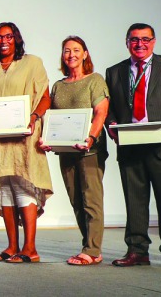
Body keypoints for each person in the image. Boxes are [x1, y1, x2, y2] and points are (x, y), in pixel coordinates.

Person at [105, 23, 161, 270]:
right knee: (134, 202)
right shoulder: (114, 71)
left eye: (145, 39)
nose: (139, 44)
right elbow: (110, 106)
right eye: (134, 40)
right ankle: (137, 250)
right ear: (126, 42)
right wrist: (111, 123)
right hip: (130, 145)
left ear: (153, 41)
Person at [0, 22, 53, 264]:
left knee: (24, 187)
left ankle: (30, 248)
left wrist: (32, 117)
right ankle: (12, 246)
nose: (4, 41)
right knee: (4, 189)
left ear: (16, 38)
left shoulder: (32, 63)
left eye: (8, 36)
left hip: (23, 138)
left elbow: (45, 97)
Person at [37, 36, 109, 265]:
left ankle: (93, 250)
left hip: (89, 150)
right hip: (66, 151)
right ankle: (88, 246)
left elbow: (101, 112)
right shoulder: (59, 85)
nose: (71, 55)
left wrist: (90, 137)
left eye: (76, 50)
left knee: (91, 200)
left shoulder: (95, 80)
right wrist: (46, 139)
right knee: (76, 200)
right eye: (67, 51)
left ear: (85, 54)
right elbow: (52, 119)